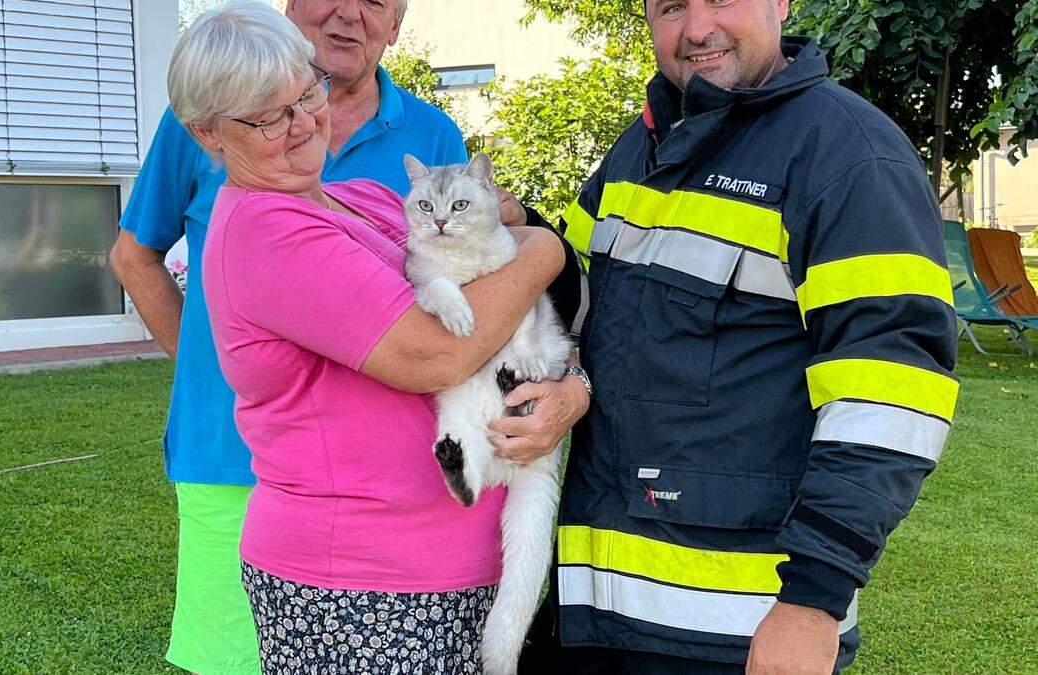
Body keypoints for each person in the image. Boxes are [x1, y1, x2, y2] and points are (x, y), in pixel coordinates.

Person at [506, 1, 961, 672]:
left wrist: (812, 602)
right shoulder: (642, 144)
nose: (695, 29)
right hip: (593, 618)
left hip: (737, 635)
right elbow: (575, 305)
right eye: (669, 8)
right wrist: (512, 230)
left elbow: (891, 397)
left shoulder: (848, 155)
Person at [166, 3, 573, 673]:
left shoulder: (364, 199)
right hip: (362, 587)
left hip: (449, 569)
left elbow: (491, 271)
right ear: (208, 133)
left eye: (307, 93)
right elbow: (438, 351)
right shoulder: (265, 230)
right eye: (270, 117)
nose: (302, 125)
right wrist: (548, 250)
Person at [109, 0, 470, 672]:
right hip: (227, 454)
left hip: (378, 498)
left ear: (397, 23)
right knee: (233, 659)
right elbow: (134, 255)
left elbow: (462, 281)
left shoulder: (433, 135)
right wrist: (217, 365)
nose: (347, 14)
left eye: (375, 3)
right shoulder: (210, 107)